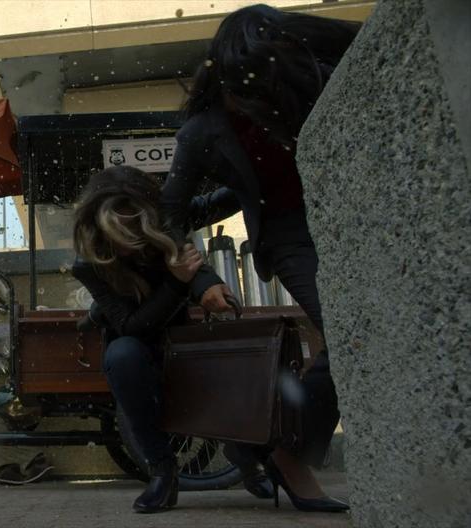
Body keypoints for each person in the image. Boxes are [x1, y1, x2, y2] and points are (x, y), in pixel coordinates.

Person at [160, 4, 359, 512]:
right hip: (290, 237)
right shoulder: (201, 133)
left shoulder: (301, 89)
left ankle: (260, 438)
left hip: (349, 220)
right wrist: (201, 276)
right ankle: (289, 454)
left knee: (359, 339)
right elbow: (169, 218)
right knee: (350, 335)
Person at [72, 165, 257, 513]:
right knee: (122, 353)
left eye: (135, 227)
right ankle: (162, 470)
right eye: (118, 230)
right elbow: (131, 326)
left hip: (185, 337)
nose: (130, 241)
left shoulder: (167, 219)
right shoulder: (89, 262)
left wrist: (256, 166)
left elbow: (224, 199)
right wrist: (177, 282)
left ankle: (249, 452)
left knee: (233, 362)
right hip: (138, 345)